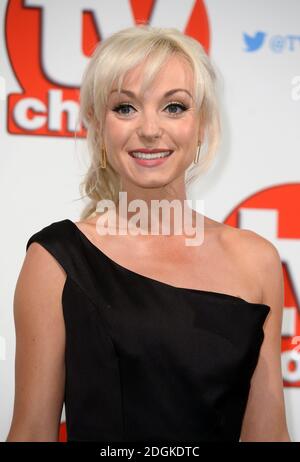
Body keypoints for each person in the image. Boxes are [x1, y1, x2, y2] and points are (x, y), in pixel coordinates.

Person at [6, 25, 291, 442]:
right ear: (98, 127)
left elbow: (268, 436)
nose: (150, 129)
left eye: (174, 107)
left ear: (203, 125)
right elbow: (31, 433)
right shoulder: (55, 260)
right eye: (125, 108)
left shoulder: (256, 261)